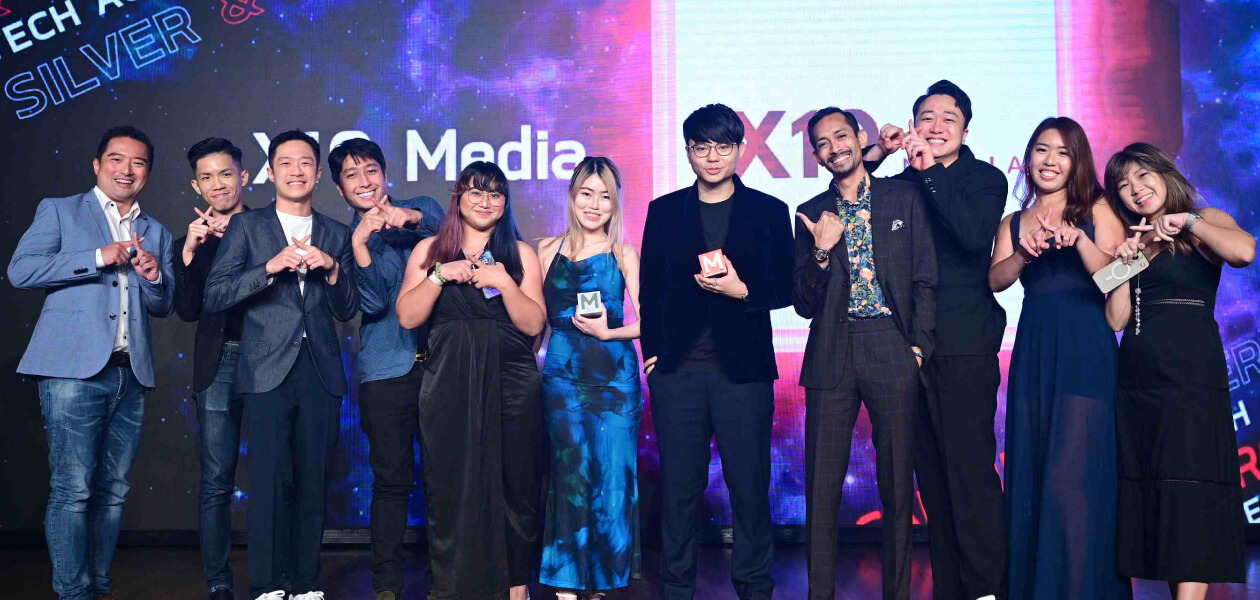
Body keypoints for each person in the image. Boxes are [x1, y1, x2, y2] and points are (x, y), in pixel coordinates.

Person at [8, 125, 175, 600]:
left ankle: (99, 586)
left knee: (113, 491)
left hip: (130, 373)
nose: (127, 170)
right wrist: (97, 256)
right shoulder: (61, 211)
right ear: (98, 164)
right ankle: (73, 592)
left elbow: (163, 306)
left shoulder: (156, 231)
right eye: (117, 159)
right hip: (72, 372)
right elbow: (22, 270)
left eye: (138, 162)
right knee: (73, 489)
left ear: (147, 173)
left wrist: (154, 276)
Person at [639, 103, 794, 600]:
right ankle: (676, 588)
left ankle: (754, 587)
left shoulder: (769, 211)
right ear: (687, 151)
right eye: (701, 146)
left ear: (740, 149)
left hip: (744, 372)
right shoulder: (664, 211)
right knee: (679, 489)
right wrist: (653, 354)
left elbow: (786, 286)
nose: (712, 156)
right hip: (678, 371)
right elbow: (650, 290)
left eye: (723, 146)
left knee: (749, 486)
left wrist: (742, 291)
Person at [864, 80, 1009, 600]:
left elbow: (971, 235)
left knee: (969, 470)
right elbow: (851, 193)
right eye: (926, 117)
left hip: (964, 341)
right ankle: (951, 588)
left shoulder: (985, 179)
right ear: (912, 126)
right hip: (907, 346)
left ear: (966, 130)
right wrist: (879, 153)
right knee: (931, 476)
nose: (937, 126)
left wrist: (928, 173)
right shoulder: (898, 183)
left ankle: (988, 588)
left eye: (950, 118)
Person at [204, 129, 359, 600]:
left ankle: (307, 583)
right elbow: (216, 294)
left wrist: (332, 268)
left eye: (305, 163)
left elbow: (348, 307)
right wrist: (269, 268)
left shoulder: (337, 233)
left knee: (314, 479)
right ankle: (269, 584)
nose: (296, 171)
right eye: (286, 163)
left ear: (318, 174)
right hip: (265, 368)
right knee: (269, 480)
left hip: (320, 369)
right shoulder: (246, 228)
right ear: (270, 173)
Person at [795, 108, 937, 600]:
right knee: (822, 487)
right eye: (822, 143)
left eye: (841, 136)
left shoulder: (903, 197)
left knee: (897, 485)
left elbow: (925, 277)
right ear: (816, 155)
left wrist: (917, 347)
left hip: (891, 345)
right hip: (831, 350)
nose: (834, 148)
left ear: (860, 138)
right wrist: (820, 251)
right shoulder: (811, 211)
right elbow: (803, 303)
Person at [988, 117, 1131, 599]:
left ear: (1077, 162)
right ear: (1028, 157)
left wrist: (1080, 240)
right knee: (1032, 475)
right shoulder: (1013, 221)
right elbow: (995, 280)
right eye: (1042, 150)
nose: (1050, 161)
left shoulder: (1098, 207)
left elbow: (1118, 281)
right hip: (1035, 349)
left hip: (1085, 347)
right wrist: (1024, 254)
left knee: (1071, 478)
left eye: (1063, 152)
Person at [1103, 143, 1253, 600]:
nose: (1135, 189)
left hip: (1191, 379)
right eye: (1123, 185)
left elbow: (1245, 252)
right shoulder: (1132, 241)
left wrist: (1187, 222)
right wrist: (1124, 264)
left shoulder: (1205, 221)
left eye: (1142, 175)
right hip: (1138, 383)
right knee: (1160, 493)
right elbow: (1116, 319)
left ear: (1164, 173)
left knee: (1190, 491)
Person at [396, 161, 546, 600]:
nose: (485, 201)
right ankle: (453, 586)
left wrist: (505, 282)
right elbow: (408, 316)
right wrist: (440, 276)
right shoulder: (429, 250)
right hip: (449, 382)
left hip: (512, 381)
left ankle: (516, 587)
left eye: (495, 194)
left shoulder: (521, 254)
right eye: (475, 192)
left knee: (517, 482)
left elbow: (534, 323)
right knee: (450, 484)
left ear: (505, 203)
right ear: (458, 197)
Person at [331, 138, 445, 600]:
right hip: (385, 372)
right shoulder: (345, 242)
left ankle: (446, 579)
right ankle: (386, 583)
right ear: (340, 189)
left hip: (441, 366)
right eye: (352, 175)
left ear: (384, 173)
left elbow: (454, 236)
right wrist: (361, 245)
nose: (364, 181)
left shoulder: (422, 208)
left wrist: (410, 218)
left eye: (371, 170)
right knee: (392, 480)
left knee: (445, 478)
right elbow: (374, 303)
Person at [536, 157, 642, 600]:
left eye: (605, 196)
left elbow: (654, 322)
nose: (595, 204)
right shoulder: (545, 250)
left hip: (615, 380)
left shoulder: (624, 254)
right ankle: (566, 583)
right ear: (572, 196)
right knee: (569, 475)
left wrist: (609, 332)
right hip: (561, 378)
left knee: (612, 478)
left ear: (615, 203)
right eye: (586, 194)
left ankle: (599, 584)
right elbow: (534, 322)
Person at [173, 137, 252, 600]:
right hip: (217, 363)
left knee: (277, 473)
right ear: (196, 186)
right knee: (217, 480)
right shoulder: (192, 241)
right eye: (207, 177)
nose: (217, 184)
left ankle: (277, 576)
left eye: (226, 173)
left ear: (244, 176)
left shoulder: (267, 227)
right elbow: (186, 310)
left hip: (267, 360)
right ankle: (219, 581)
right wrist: (189, 252)